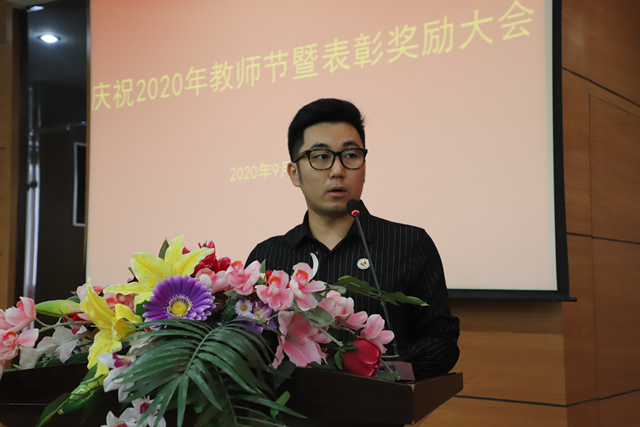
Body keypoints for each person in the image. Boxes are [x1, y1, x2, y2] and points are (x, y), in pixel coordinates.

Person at [246, 98, 459, 379]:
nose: (338, 170)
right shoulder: (267, 257)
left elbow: (441, 342)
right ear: (294, 173)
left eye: (350, 155)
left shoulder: (410, 244)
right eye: (320, 156)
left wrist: (374, 370)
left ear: (364, 166)